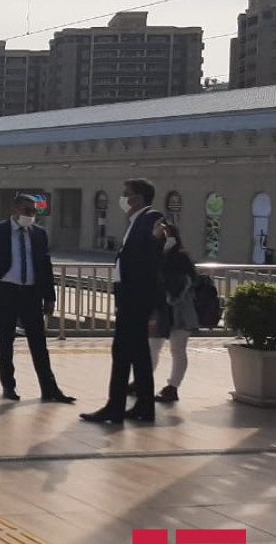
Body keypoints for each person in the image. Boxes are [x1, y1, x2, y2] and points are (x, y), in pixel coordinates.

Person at [0, 194, 76, 403]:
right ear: (15, 210)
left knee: (38, 341)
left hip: (31, 292)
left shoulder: (38, 233)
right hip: (5, 290)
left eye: (34, 211)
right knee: (6, 338)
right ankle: (9, 385)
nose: (31, 215)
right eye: (27, 210)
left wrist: (49, 296)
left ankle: (49, 388)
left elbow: (45, 265)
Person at [81, 178, 164, 424]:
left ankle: (115, 407)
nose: (123, 198)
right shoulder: (135, 220)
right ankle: (143, 407)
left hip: (136, 299)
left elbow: (154, 248)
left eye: (126, 194)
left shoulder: (150, 218)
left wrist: (156, 237)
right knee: (137, 354)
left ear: (137, 198)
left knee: (122, 352)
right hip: (130, 297)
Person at [147, 222, 197, 403]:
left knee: (177, 349)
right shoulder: (155, 256)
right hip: (160, 309)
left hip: (179, 311)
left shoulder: (180, 257)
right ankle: (143, 381)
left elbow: (187, 282)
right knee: (153, 346)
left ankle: (173, 387)